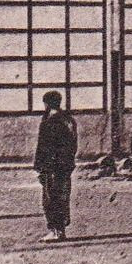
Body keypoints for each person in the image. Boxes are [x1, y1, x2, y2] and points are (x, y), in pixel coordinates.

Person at [33, 89, 78, 241]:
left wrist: (41, 166)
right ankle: (61, 230)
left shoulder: (50, 121)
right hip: (65, 165)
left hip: (52, 166)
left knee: (51, 198)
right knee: (63, 197)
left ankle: (56, 230)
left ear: (46, 103)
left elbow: (44, 147)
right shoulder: (69, 119)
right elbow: (73, 145)